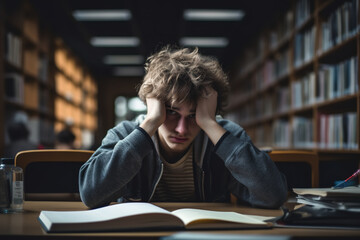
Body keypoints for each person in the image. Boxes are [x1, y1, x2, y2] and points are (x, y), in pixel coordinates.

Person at [79, 46, 288, 209]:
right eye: (171, 112)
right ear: (154, 106)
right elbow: (90, 194)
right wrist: (151, 122)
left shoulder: (225, 136)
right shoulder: (126, 134)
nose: (181, 129)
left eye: (193, 116)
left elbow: (273, 196)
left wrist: (209, 123)